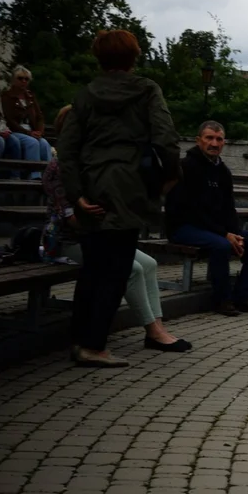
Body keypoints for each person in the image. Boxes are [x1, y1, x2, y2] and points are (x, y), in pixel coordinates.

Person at [57, 29, 182, 367]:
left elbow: (66, 150)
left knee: (93, 269)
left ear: (99, 57)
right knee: (116, 270)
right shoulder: (146, 89)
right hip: (129, 187)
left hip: (92, 185)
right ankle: (94, 346)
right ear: (134, 56)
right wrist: (170, 175)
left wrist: (77, 196)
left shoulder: (85, 96)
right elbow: (165, 137)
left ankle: (80, 340)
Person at [43, 105, 191, 353]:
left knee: (149, 264)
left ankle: (157, 327)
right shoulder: (59, 168)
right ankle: (153, 332)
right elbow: (72, 221)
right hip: (68, 241)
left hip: (100, 236)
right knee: (129, 269)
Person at [166, 121, 248, 317]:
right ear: (199, 140)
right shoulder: (186, 167)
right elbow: (190, 211)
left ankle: (243, 297)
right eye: (209, 138)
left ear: (224, 143)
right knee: (221, 245)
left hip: (214, 229)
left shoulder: (223, 171)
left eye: (219, 139)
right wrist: (224, 234)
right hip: (185, 227)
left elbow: (228, 208)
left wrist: (235, 233)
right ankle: (222, 300)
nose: (214, 143)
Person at [2, 65, 53, 168]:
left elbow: (39, 117)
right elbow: (9, 120)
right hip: (15, 131)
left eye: (26, 79)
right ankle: (34, 175)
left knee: (44, 144)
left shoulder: (30, 97)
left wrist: (40, 131)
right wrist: (28, 133)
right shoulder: (6, 96)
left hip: (31, 131)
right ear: (13, 79)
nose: (24, 81)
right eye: (20, 78)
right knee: (32, 143)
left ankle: (49, 174)